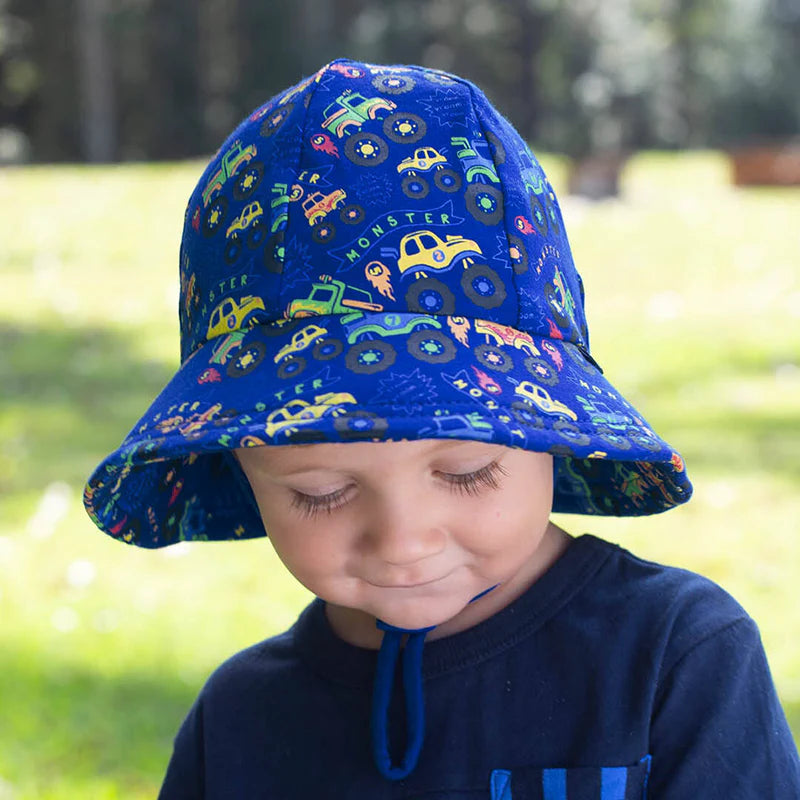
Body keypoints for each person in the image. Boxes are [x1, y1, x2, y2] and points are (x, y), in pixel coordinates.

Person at [83, 59, 800, 798]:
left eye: (467, 473)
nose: (404, 542)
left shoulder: (674, 659)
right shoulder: (240, 721)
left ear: (549, 437)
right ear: (240, 465)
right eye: (321, 491)